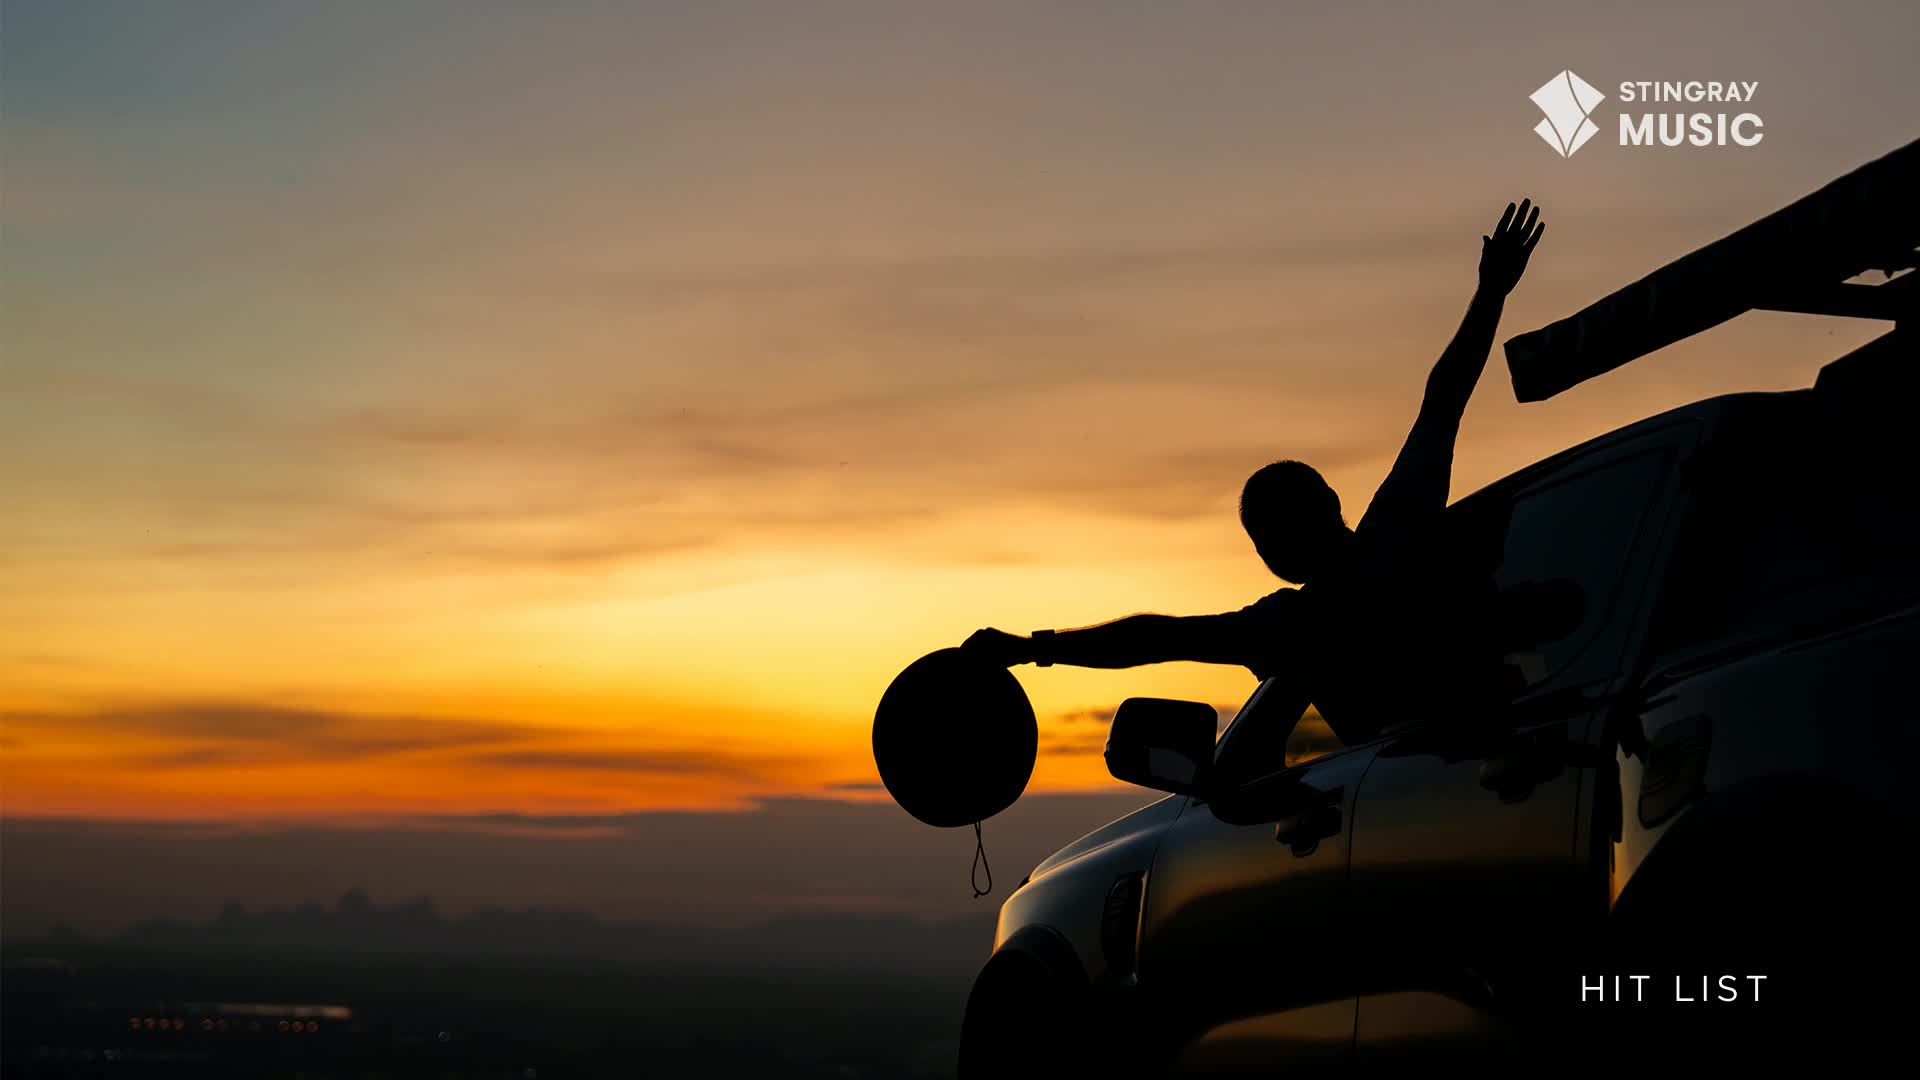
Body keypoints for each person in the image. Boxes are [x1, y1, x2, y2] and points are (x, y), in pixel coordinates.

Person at [962, 200, 1546, 740]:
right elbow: (1442, 401)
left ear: (1272, 552)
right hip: (1519, 743)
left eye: (1263, 534)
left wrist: (1033, 648)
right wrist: (1490, 292)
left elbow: (1155, 637)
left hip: (1425, 798)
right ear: (1334, 503)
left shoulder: (1294, 626)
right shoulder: (1399, 529)